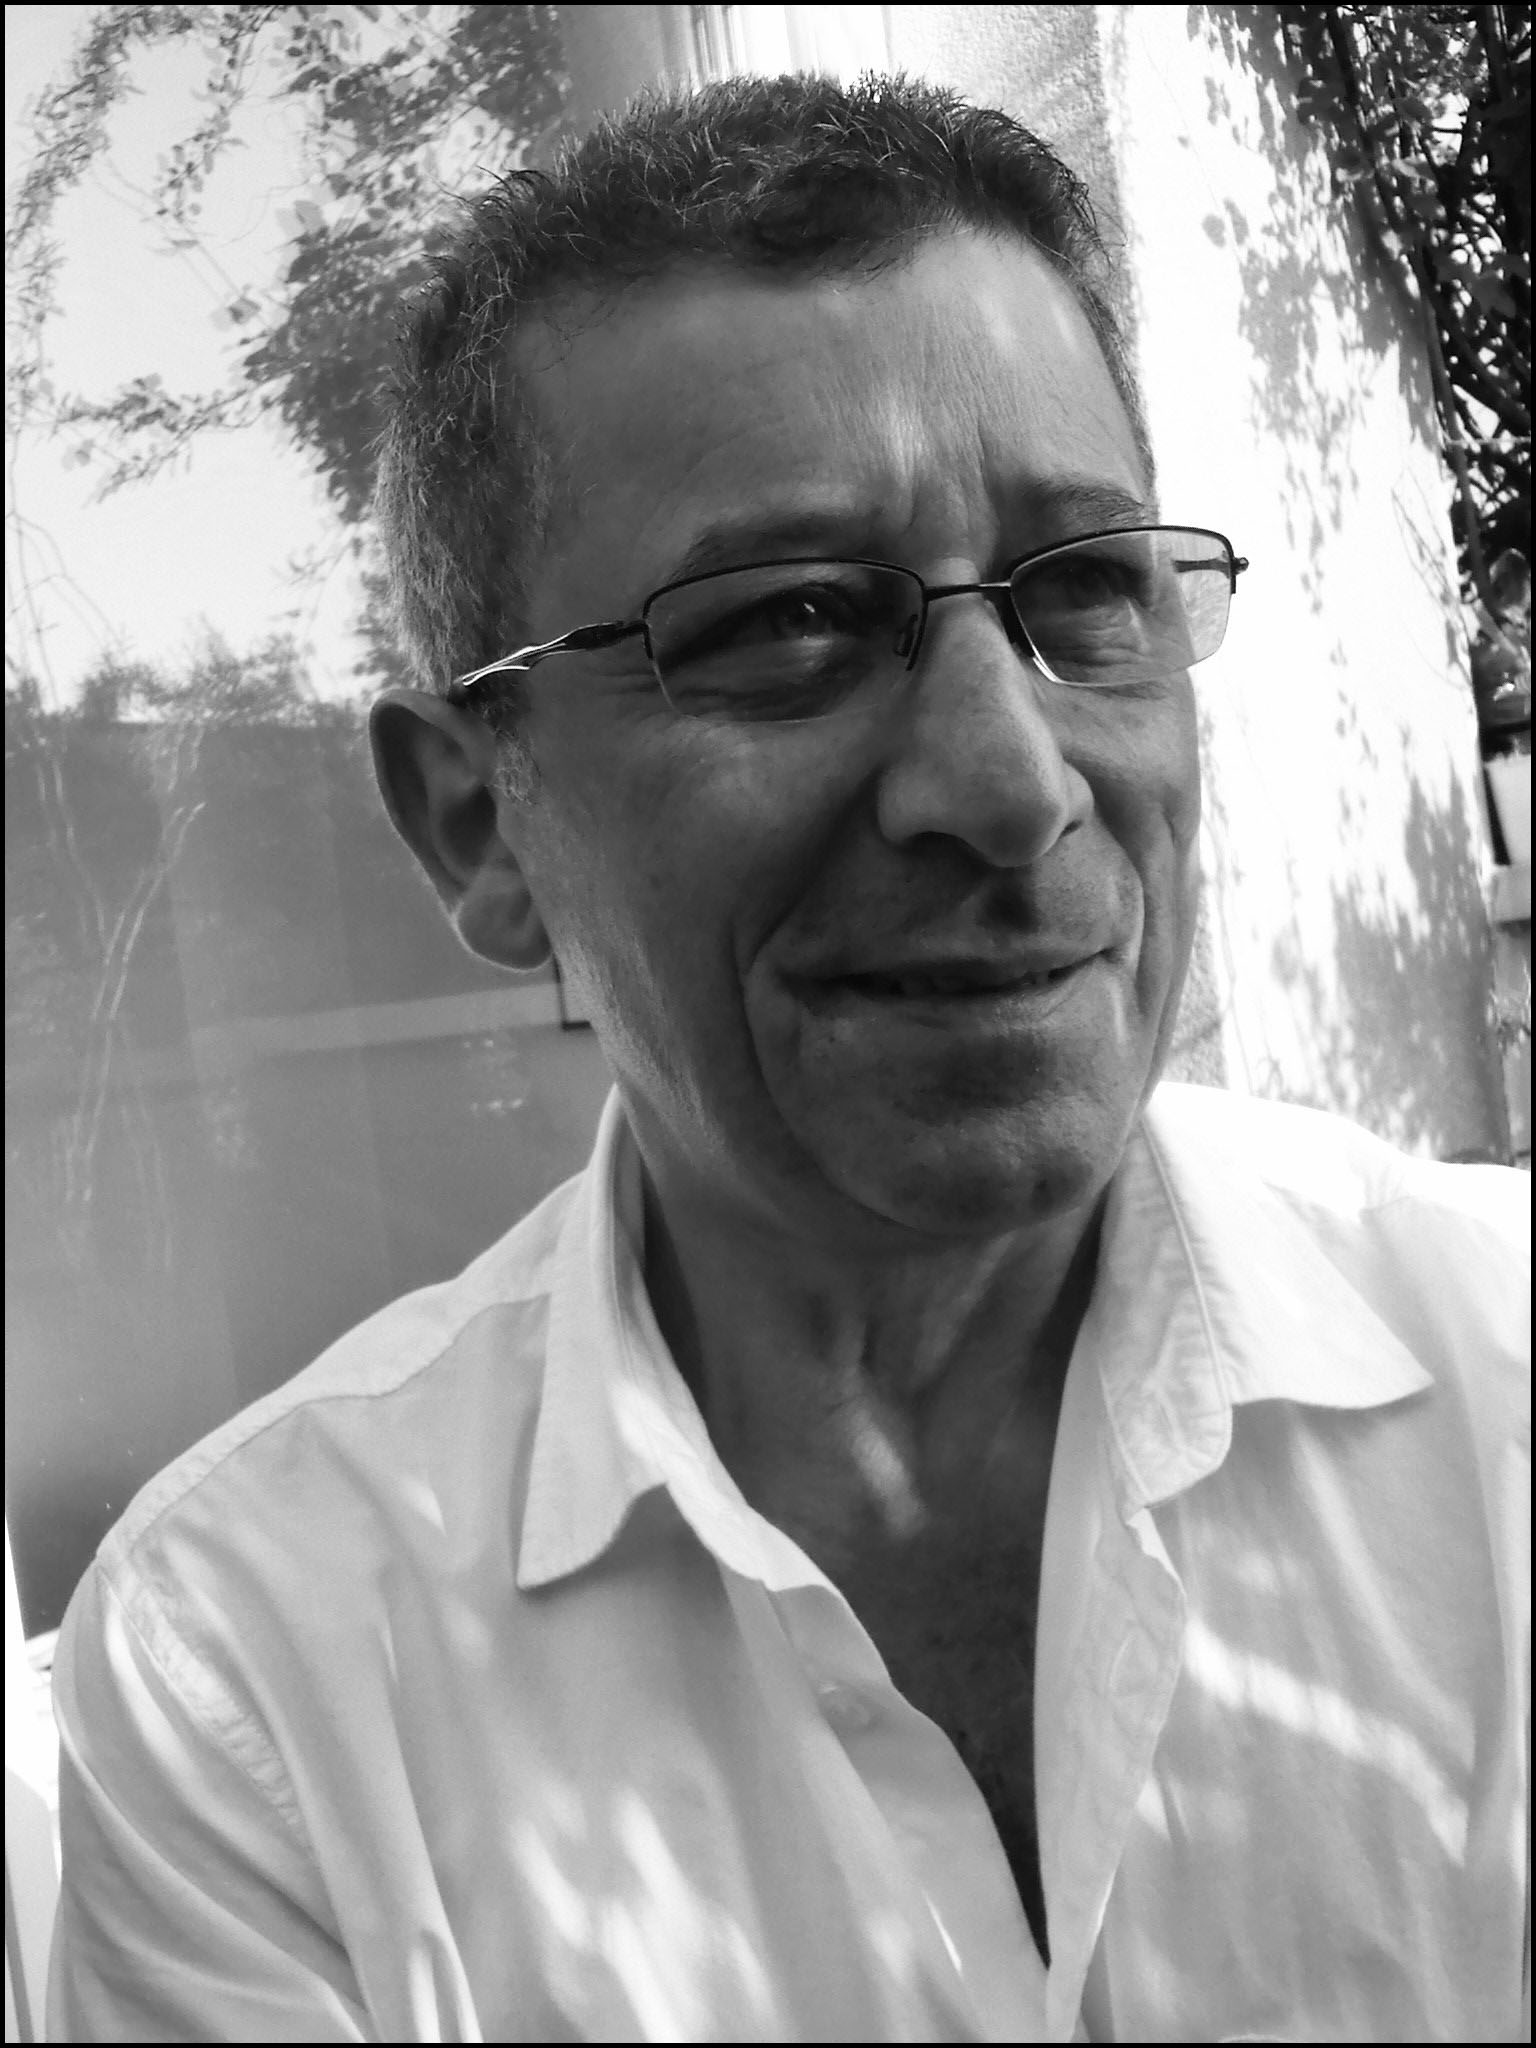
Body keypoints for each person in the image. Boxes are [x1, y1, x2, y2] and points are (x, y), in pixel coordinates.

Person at [47, 73, 1528, 2044]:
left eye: (1086, 591)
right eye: (793, 621)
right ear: (479, 826)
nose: (1011, 784)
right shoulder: (257, 1682)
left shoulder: (1504, 1400)